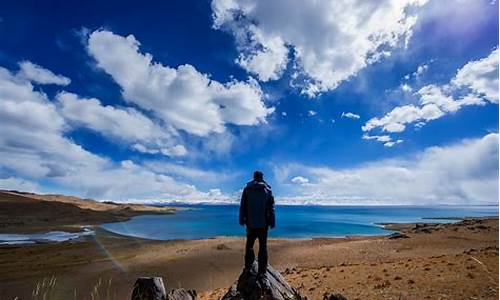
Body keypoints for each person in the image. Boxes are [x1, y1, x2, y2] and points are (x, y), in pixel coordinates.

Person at [239, 170, 275, 278]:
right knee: (263, 247)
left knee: (249, 246)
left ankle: (248, 267)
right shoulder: (267, 190)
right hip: (263, 224)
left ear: (254, 177)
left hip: (250, 224)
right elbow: (271, 207)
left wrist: (242, 219)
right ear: (262, 177)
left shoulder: (247, 189)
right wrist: (272, 222)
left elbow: (243, 206)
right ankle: (262, 271)